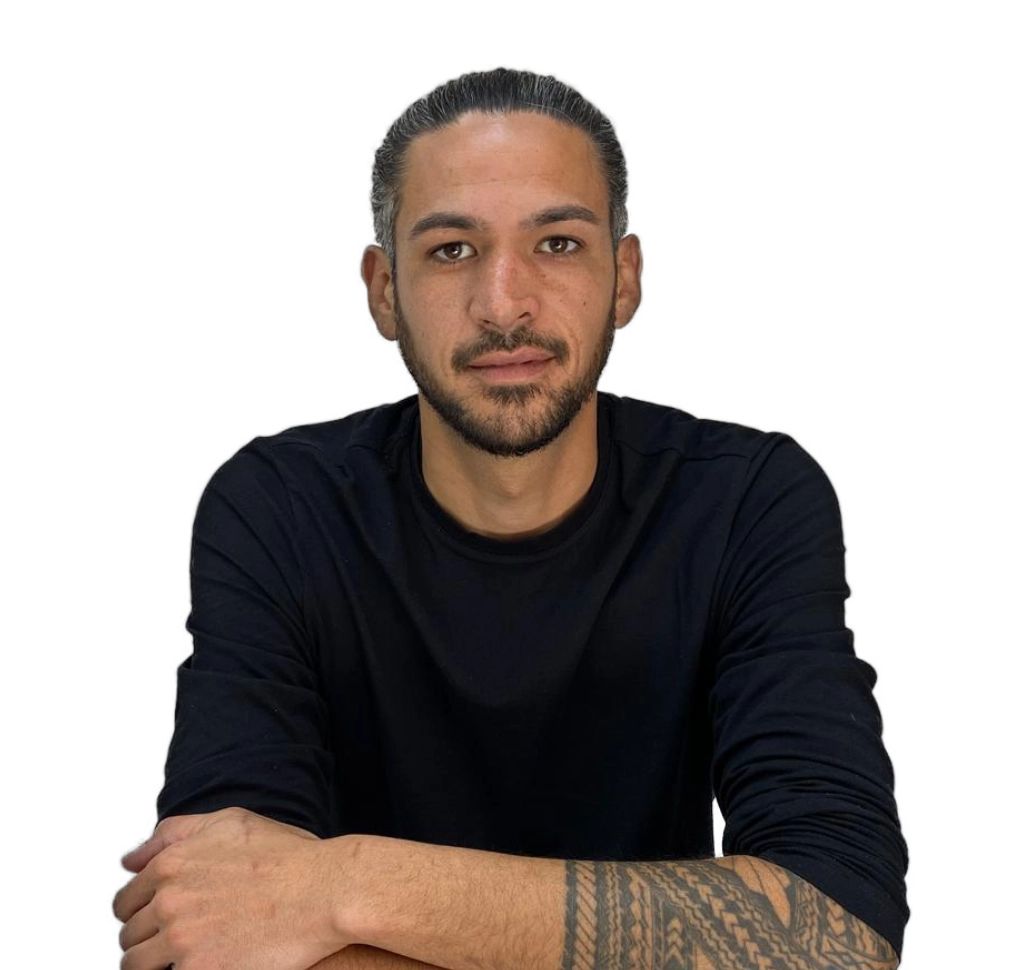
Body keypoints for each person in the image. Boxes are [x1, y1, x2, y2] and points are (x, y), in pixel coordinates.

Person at [115, 67, 909, 969]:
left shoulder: (744, 501)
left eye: (557, 243)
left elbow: (839, 933)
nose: (503, 304)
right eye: (451, 249)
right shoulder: (279, 509)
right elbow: (211, 925)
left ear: (623, 279)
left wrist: (348, 883)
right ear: (383, 290)